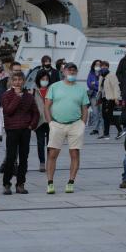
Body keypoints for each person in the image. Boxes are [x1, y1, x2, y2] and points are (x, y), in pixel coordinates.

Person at [45, 62, 89, 194]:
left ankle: (71, 182)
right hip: (57, 123)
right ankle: (50, 183)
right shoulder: (54, 87)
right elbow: (47, 106)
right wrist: (50, 122)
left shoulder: (81, 89)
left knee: (74, 153)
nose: (71, 73)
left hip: (75, 124)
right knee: (53, 153)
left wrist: (82, 123)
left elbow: (84, 108)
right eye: (69, 70)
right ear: (63, 72)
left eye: (74, 71)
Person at [1, 71, 39, 195]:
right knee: (11, 157)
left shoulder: (28, 96)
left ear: (23, 81)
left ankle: (20, 184)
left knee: (24, 158)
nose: (18, 82)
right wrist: (17, 97)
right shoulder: (7, 95)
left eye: (20, 79)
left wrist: (31, 125)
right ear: (11, 81)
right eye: (15, 79)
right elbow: (8, 111)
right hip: (12, 129)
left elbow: (35, 112)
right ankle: (7, 183)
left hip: (25, 130)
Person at [32, 69, 51, 172]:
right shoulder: (34, 91)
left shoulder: (52, 90)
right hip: (39, 120)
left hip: (50, 119)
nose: (45, 80)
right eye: (43, 79)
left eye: (47, 79)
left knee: (50, 143)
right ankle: (42, 162)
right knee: (40, 143)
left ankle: (49, 161)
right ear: (39, 80)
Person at [99, 60, 123, 139]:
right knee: (104, 115)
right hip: (104, 98)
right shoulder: (102, 76)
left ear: (108, 67)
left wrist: (116, 98)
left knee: (109, 115)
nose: (103, 67)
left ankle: (120, 130)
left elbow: (116, 87)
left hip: (110, 98)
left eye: (105, 66)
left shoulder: (111, 75)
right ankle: (106, 133)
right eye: (102, 66)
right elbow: (101, 88)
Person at [86, 60, 104, 136]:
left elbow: (103, 84)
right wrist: (97, 85)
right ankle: (95, 129)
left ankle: (102, 129)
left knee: (101, 113)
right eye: (96, 65)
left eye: (99, 65)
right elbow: (89, 84)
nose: (97, 66)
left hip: (101, 95)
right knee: (95, 112)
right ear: (93, 66)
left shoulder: (103, 73)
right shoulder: (91, 73)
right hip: (93, 96)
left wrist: (95, 83)